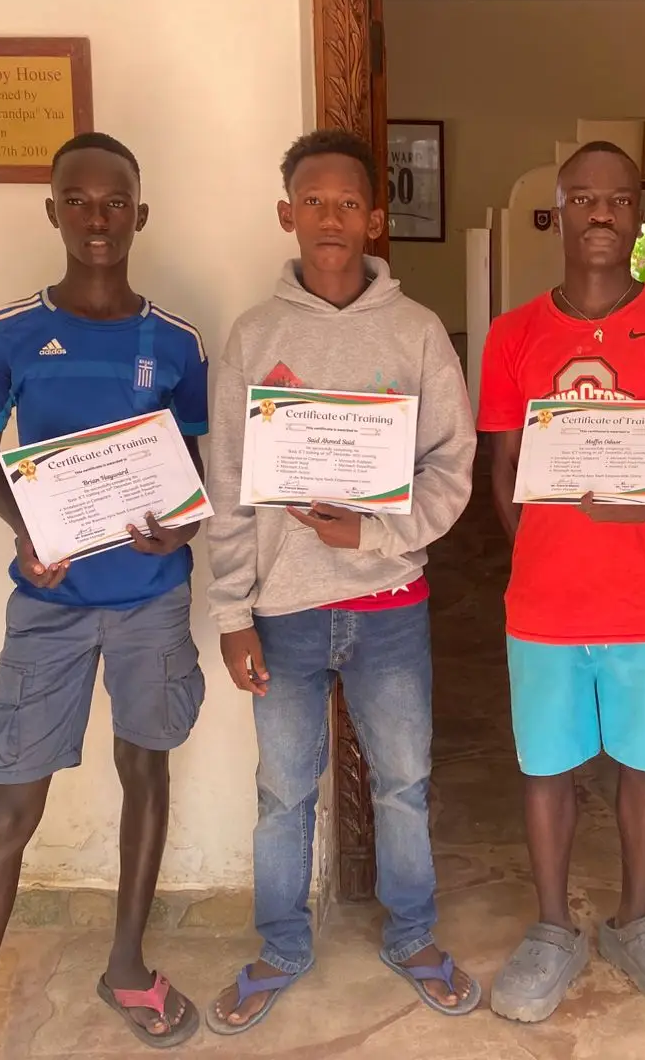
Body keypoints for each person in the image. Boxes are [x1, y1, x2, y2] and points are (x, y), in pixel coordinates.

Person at [204, 128, 479, 1034]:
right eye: (314, 202)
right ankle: (282, 945)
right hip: (283, 610)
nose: (331, 218)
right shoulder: (255, 338)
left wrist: (375, 531)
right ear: (287, 214)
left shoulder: (415, 332)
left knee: (403, 783)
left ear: (375, 219)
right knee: (284, 793)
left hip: (389, 605)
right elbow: (229, 483)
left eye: (348, 203)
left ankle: (412, 934)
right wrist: (231, 612)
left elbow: (452, 467)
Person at [0, 133, 208, 1058]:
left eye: (115, 202)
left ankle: (126, 964)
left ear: (142, 214)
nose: (99, 219)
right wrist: (26, 530)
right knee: (10, 808)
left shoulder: (177, 344)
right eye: (80, 201)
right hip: (49, 604)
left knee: (146, 769)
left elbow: (190, 473)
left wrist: (183, 530)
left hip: (151, 599)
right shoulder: (7, 334)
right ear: (52, 211)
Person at [477, 141, 645, 1023]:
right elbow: (502, 467)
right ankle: (553, 928)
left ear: (638, 215)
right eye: (583, 198)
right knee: (547, 766)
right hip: (545, 603)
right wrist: (538, 547)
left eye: (618, 199)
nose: (601, 213)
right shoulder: (514, 335)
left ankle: (636, 920)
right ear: (557, 211)